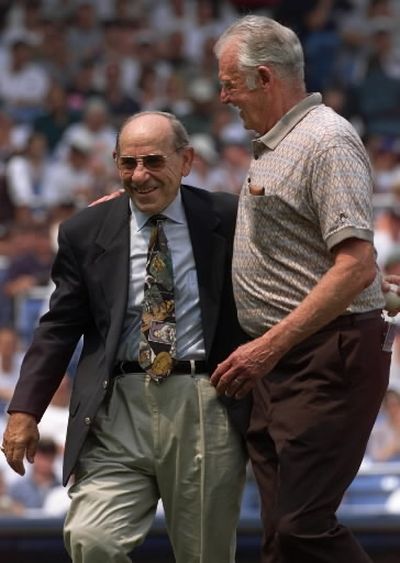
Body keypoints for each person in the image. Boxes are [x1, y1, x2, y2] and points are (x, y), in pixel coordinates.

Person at [1, 111, 250, 563]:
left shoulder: (227, 217)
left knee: (206, 555)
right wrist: (24, 411)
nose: (140, 175)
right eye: (128, 163)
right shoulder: (85, 230)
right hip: (116, 404)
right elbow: (59, 326)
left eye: (154, 161)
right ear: (114, 162)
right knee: (91, 539)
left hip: (204, 400)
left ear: (187, 160)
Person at [210, 15, 392, 563]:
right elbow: (315, 250)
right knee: (279, 536)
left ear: (266, 77)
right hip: (283, 361)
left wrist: (268, 346)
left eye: (230, 84)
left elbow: (354, 264)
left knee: (301, 528)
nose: (222, 98)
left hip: (319, 357)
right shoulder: (276, 142)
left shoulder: (325, 141)